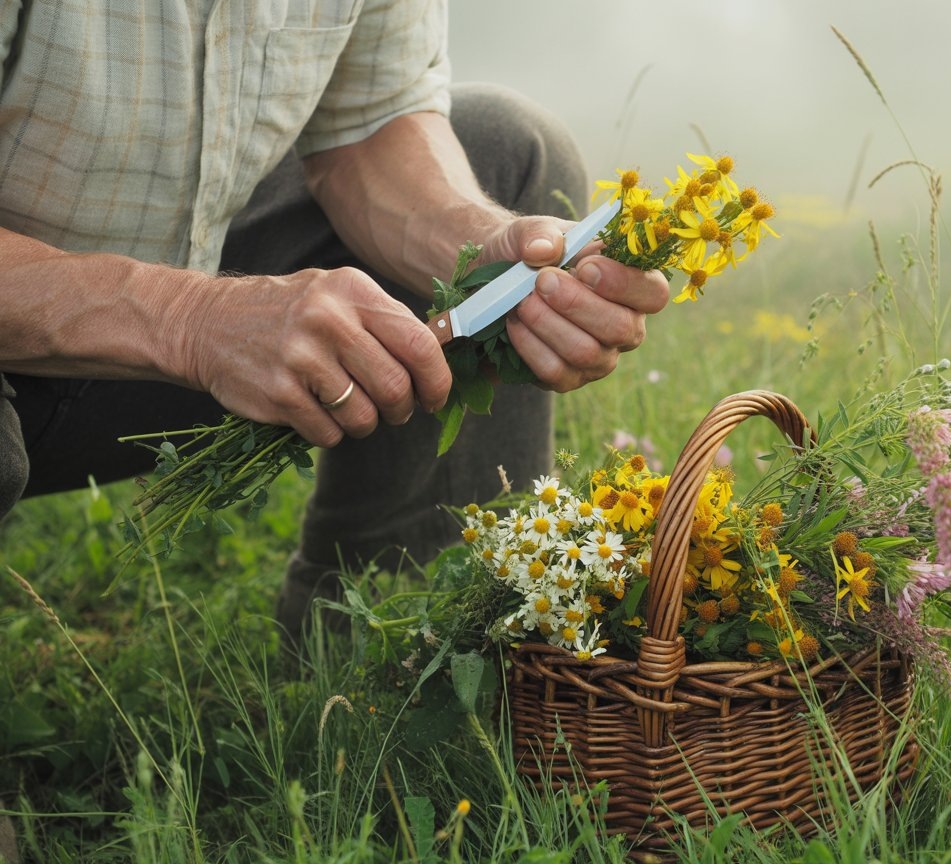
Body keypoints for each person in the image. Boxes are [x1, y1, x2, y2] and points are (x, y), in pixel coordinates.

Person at [0, 1, 669, 652]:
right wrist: (190, 320)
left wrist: (481, 252)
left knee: (507, 149)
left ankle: (396, 642)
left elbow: (370, 124)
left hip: (172, 339)